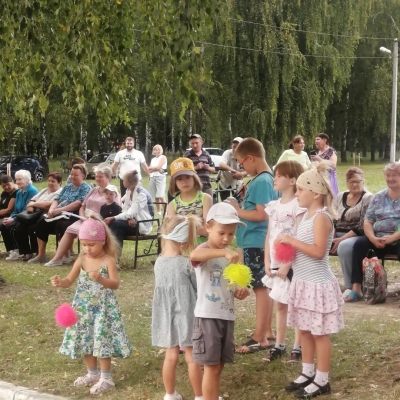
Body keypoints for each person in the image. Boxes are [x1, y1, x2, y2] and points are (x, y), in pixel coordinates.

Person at [277, 162, 343, 398]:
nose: (296, 195)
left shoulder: (321, 219)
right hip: (302, 283)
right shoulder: (304, 216)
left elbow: (317, 251)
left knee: (319, 333)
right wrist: (285, 259)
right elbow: (299, 250)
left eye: (300, 190)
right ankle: (307, 372)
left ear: (315, 193)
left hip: (317, 285)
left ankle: (323, 379)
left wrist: (292, 242)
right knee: (304, 329)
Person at [51, 216, 132, 395]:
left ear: (102, 241)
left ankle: (106, 378)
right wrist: (60, 282)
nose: (87, 248)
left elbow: (115, 284)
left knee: (101, 341)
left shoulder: (108, 261)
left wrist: (101, 279)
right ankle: (92, 374)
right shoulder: (81, 260)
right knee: (87, 340)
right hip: (83, 309)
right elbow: (69, 280)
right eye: (84, 244)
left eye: (91, 244)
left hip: (103, 309)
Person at [190, 203, 249, 400]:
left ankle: (212, 396)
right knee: (211, 366)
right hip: (208, 317)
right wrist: (223, 252)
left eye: (231, 234)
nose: (226, 239)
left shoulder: (230, 257)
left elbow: (230, 285)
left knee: (219, 365)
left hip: (226, 316)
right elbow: (194, 256)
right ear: (208, 228)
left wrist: (240, 291)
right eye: (221, 232)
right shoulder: (205, 249)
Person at [226, 138, 278, 354]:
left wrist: (236, 209)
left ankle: (259, 338)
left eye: (241, 163)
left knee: (261, 288)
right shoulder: (261, 180)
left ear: (250, 158)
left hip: (257, 242)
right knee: (263, 287)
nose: (241, 168)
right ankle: (267, 332)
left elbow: (261, 214)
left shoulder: (263, 181)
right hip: (255, 242)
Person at [152, 215, 202, 400]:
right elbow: (198, 287)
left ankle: (170, 394)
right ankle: (200, 395)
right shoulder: (186, 263)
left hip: (166, 313)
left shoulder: (158, 263)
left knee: (170, 356)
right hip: (187, 312)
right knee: (192, 356)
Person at [262, 161, 304, 363]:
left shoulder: (298, 206)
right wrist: (267, 259)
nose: (275, 179)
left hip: (292, 264)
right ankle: (279, 344)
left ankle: (298, 347)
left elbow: (299, 235)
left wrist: (288, 263)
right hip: (276, 262)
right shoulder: (274, 206)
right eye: (275, 175)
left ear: (293, 180)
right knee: (280, 304)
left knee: (295, 305)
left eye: (279, 176)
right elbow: (270, 234)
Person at [43, 166, 120, 266]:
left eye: (101, 177)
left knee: (87, 233)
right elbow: (82, 206)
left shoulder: (112, 192)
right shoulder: (94, 190)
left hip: (99, 222)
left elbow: (116, 210)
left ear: (108, 178)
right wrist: (83, 217)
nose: (97, 179)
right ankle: (57, 258)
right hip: (84, 219)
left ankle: (90, 260)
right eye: (96, 176)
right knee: (69, 230)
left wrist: (94, 220)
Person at [349, 162, 400, 302]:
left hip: (398, 238)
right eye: (388, 175)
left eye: (394, 175)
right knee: (359, 245)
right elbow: (368, 221)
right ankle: (356, 289)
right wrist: (372, 238)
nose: (390, 179)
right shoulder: (378, 197)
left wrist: (392, 238)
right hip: (377, 238)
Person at [28, 164, 91, 264]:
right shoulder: (68, 187)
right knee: (41, 223)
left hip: (74, 215)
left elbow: (78, 203)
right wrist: (52, 210)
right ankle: (41, 255)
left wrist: (60, 210)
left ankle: (65, 256)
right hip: (59, 212)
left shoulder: (86, 188)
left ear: (83, 176)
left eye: (76, 175)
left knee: (61, 225)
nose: (72, 177)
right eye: (71, 174)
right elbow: (56, 199)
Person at [331, 167, 373, 298]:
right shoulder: (339, 196)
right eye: (351, 181)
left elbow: (362, 225)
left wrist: (342, 238)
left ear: (363, 181)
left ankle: (350, 287)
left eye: (358, 181)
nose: (355, 184)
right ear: (347, 182)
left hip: (356, 235)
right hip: (335, 233)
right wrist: (331, 234)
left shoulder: (368, 198)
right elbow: (331, 217)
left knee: (344, 246)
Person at [13, 172, 63, 261]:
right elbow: (31, 200)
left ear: (59, 182)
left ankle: (37, 253)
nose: (50, 183)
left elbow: (49, 204)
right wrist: (32, 205)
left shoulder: (60, 192)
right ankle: (26, 252)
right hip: (34, 214)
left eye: (53, 181)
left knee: (33, 228)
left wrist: (35, 204)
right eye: (49, 181)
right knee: (19, 227)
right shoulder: (44, 190)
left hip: (46, 216)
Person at [105, 171, 154, 252]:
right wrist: (128, 218)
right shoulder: (128, 191)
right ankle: (114, 257)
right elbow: (125, 209)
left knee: (115, 223)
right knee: (119, 229)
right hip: (133, 222)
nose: (122, 181)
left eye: (123, 180)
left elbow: (131, 213)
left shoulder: (141, 194)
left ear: (128, 182)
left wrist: (113, 217)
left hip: (143, 224)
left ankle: (111, 255)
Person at [166, 157, 213, 241]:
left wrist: (183, 227)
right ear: (174, 182)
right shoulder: (172, 205)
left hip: (202, 248)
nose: (184, 181)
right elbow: (173, 231)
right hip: (181, 249)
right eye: (179, 179)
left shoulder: (205, 198)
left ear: (194, 178)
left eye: (187, 177)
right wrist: (197, 225)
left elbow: (207, 229)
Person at [1, 170, 39, 261]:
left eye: (20, 179)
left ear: (26, 180)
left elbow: (26, 210)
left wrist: (13, 219)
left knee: (14, 227)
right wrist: (11, 217)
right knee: (4, 224)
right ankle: (14, 250)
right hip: (19, 216)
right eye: (16, 179)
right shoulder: (19, 192)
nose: (17, 182)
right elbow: (16, 209)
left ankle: (23, 251)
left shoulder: (32, 190)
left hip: (29, 217)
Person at [218, 137, 247, 202]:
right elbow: (221, 164)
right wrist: (233, 170)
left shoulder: (245, 155)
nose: (235, 149)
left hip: (238, 184)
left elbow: (249, 170)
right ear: (231, 146)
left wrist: (241, 174)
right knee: (225, 204)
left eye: (238, 147)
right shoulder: (227, 153)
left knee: (239, 203)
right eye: (234, 147)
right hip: (225, 182)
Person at [148, 144, 167, 215]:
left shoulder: (163, 157)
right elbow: (149, 169)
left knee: (161, 194)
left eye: (158, 150)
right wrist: (156, 169)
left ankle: (166, 210)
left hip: (160, 177)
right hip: (153, 177)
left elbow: (159, 167)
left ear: (160, 150)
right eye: (155, 150)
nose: (156, 151)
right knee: (155, 195)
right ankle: (159, 211)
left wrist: (155, 168)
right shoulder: (153, 159)